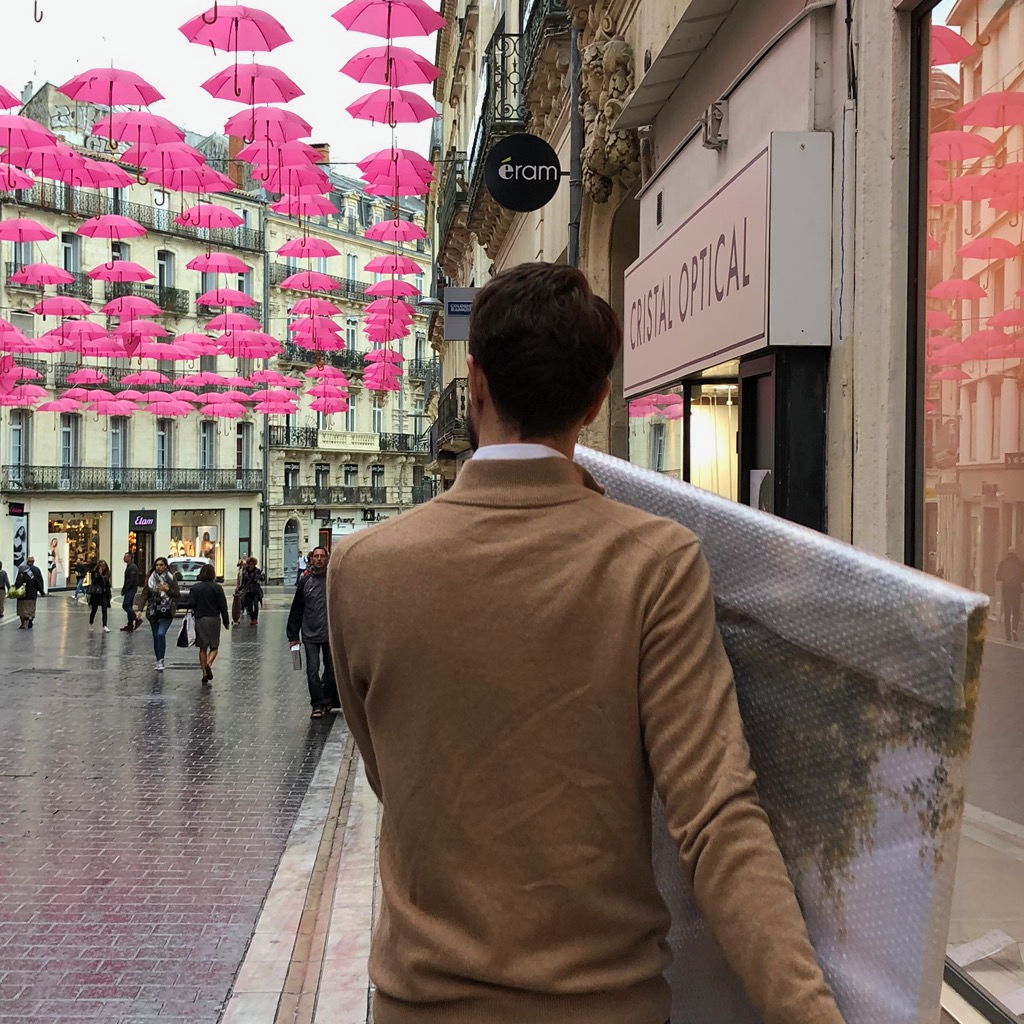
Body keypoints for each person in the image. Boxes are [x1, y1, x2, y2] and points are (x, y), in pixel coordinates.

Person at [326, 264, 847, 1024]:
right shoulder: (655, 562)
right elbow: (717, 819)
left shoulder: (361, 568)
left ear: (475, 382)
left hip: (422, 1004)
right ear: (599, 401)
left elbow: (393, 776)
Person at [287, 546, 339, 719]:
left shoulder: (333, 582)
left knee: (332, 672)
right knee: (312, 670)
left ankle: (327, 697)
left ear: (327, 559)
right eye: (316, 556)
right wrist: (293, 636)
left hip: (330, 634)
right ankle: (317, 704)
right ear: (311, 559)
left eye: (322, 556)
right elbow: (296, 610)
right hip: (310, 634)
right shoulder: (305, 583)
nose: (319, 559)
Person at [189, 563, 229, 684]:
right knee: (214, 646)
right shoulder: (217, 588)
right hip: (214, 619)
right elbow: (223, 606)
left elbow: (191, 604)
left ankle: (204, 673)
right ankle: (209, 663)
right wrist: (226, 621)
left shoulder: (195, 588)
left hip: (200, 619)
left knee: (202, 648)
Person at [145, 557, 179, 671]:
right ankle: (158, 660)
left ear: (165, 566)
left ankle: (161, 660)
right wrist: (139, 610)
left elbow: (177, 593)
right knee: (156, 637)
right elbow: (145, 594)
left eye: (161, 565)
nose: (158, 567)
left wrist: (166, 590)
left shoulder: (171, 577)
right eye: (157, 565)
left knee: (160, 634)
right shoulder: (151, 578)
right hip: (153, 611)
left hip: (167, 610)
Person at [996, 547, 1023, 642]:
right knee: (1016, 611)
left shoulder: (1003, 563)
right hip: (1016, 590)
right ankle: (1014, 630)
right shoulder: (1020, 563)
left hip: (1006, 590)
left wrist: (1005, 579)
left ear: (1007, 553)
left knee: (1007, 612)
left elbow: (998, 577)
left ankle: (1008, 634)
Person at [15, 555, 45, 629]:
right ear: (33, 562)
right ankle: (30, 618)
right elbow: (39, 582)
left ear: (27, 561)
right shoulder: (36, 570)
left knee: (22, 609)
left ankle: (23, 624)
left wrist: (15, 588)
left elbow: (17, 583)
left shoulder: (21, 572)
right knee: (31, 608)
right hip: (32, 594)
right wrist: (41, 591)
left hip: (22, 594)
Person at [87, 560, 112, 632]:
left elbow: (107, 584)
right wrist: (99, 575)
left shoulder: (107, 573)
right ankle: (91, 623)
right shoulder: (95, 573)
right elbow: (94, 581)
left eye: (104, 566)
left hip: (104, 594)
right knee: (94, 609)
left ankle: (105, 625)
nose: (103, 568)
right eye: (101, 566)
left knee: (104, 609)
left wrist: (109, 595)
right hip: (96, 594)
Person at [239, 556, 264, 625]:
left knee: (255, 604)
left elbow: (262, 579)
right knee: (249, 606)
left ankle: (255, 618)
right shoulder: (245, 572)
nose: (251, 566)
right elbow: (243, 582)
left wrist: (261, 577)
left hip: (256, 590)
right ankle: (252, 618)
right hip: (248, 591)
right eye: (250, 564)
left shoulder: (258, 571)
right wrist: (239, 588)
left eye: (252, 564)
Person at [120, 552, 139, 632]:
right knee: (129, 605)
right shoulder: (129, 566)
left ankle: (136, 618)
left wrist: (127, 588)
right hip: (129, 589)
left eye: (125, 557)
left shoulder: (133, 567)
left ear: (130, 558)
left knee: (126, 605)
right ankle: (130, 624)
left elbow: (132, 580)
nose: (124, 558)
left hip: (131, 589)